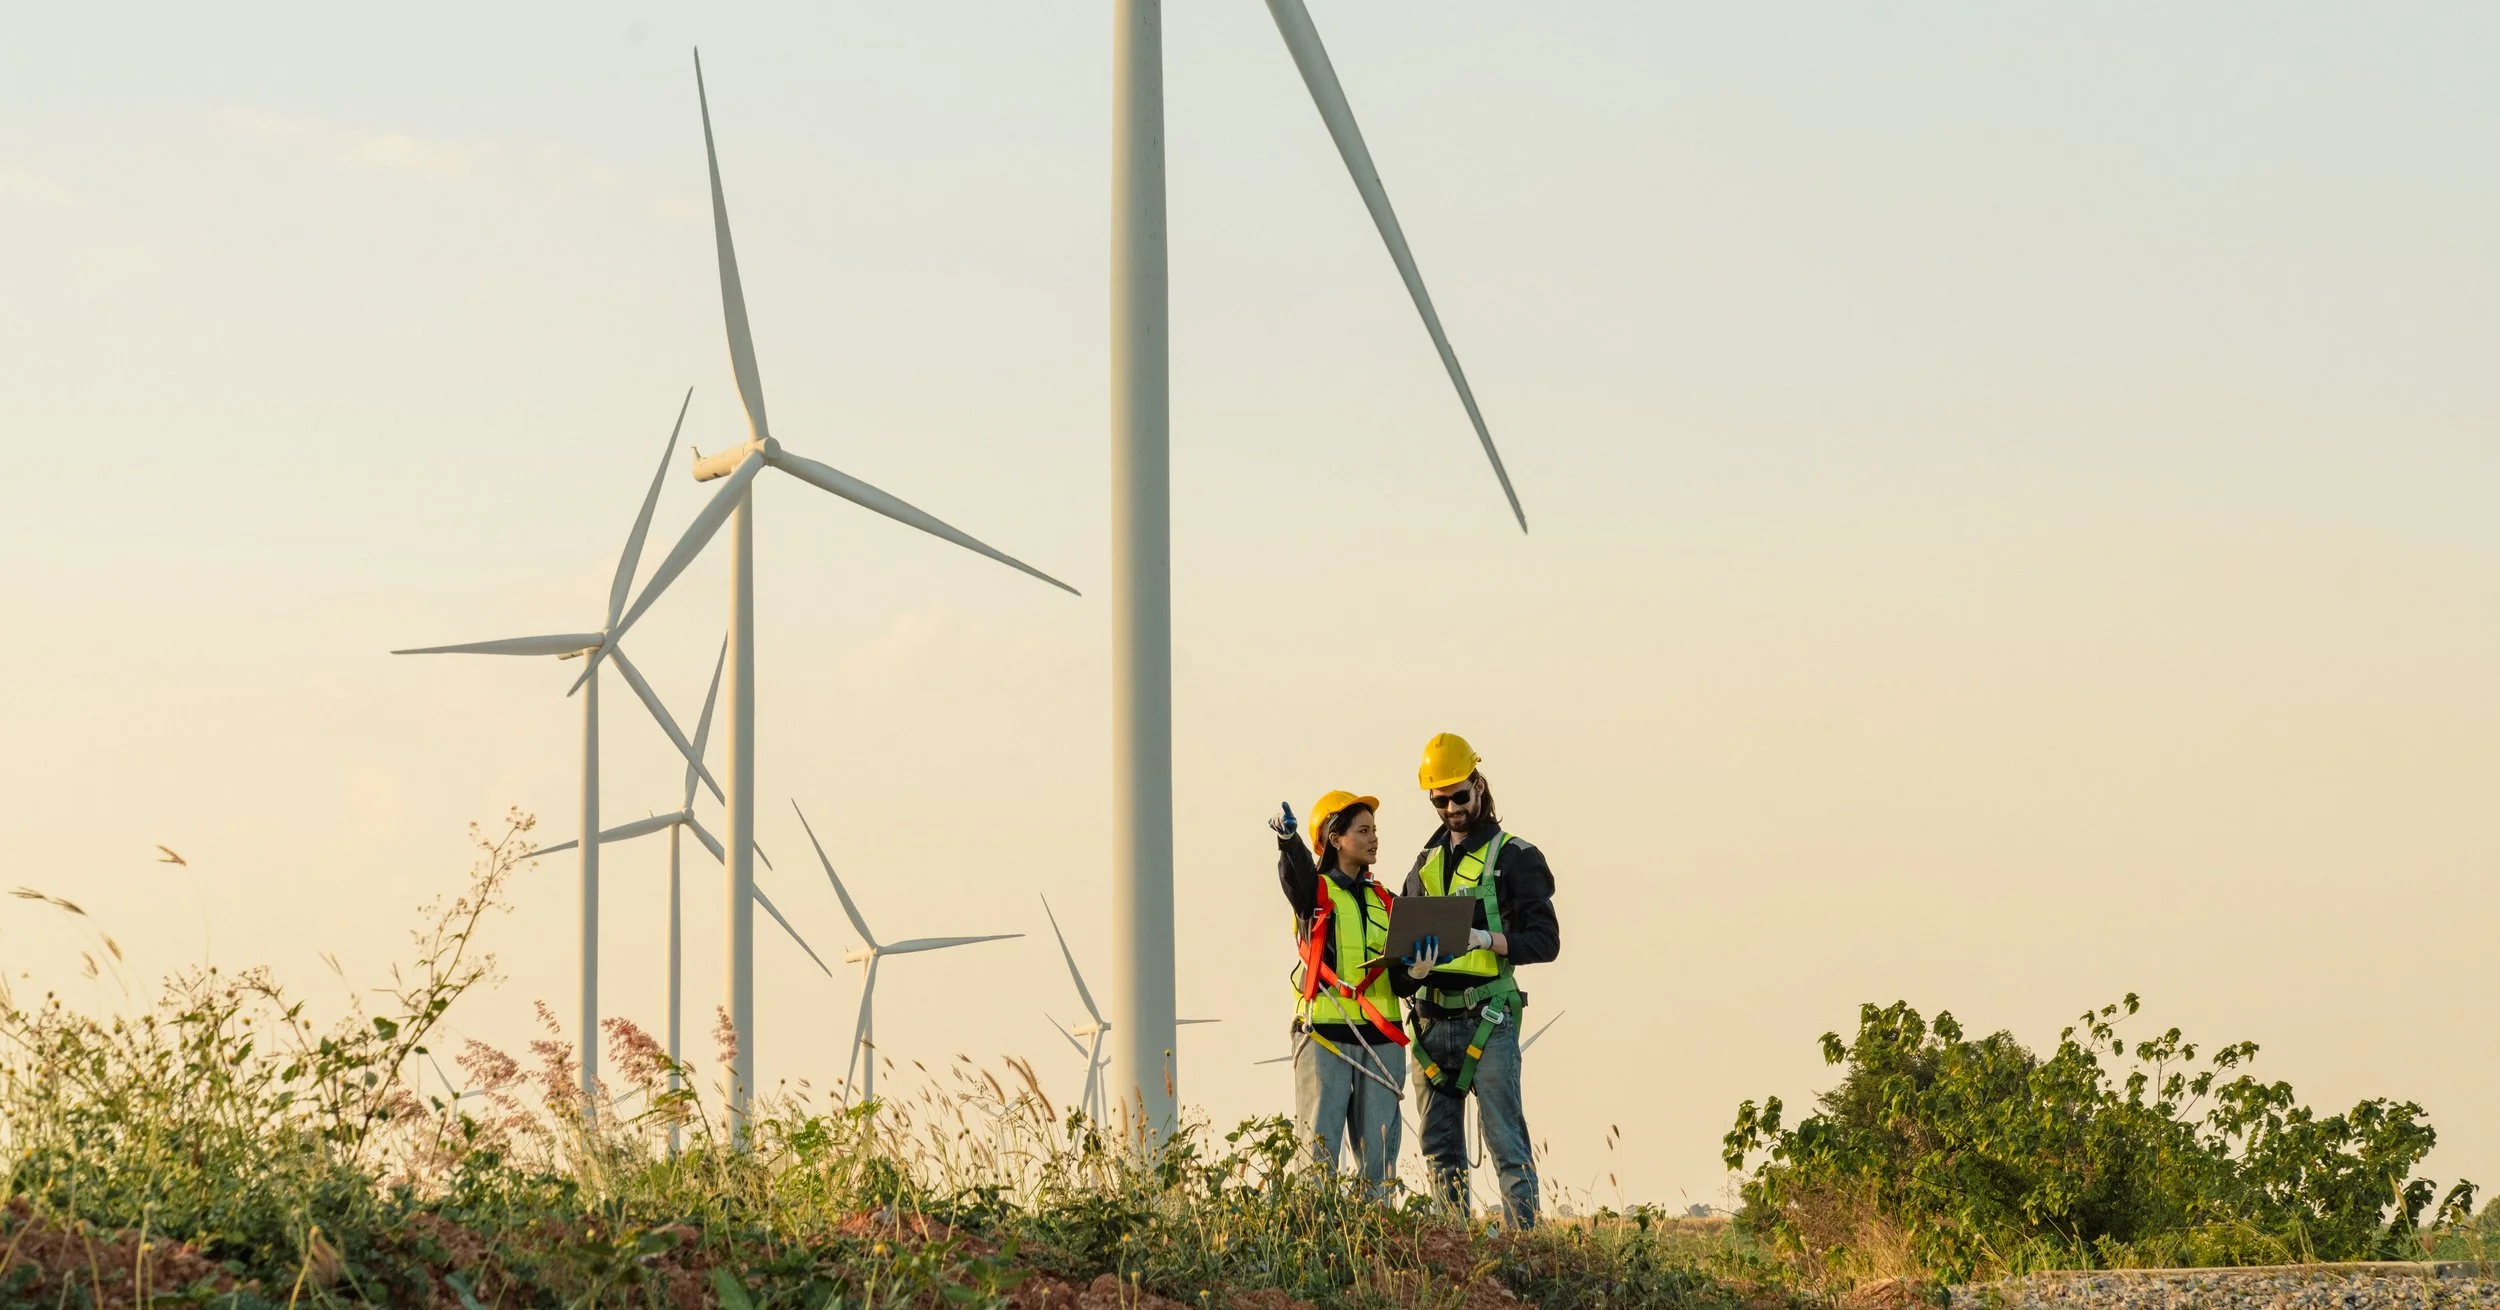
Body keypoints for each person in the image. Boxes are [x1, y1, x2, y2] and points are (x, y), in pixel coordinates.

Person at [1401, 733, 1560, 1228]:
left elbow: (1546, 941)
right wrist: (1412, 971)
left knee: (1506, 1143)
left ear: (1479, 785)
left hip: (1487, 1018)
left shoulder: (1515, 856)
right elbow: (1401, 949)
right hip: (1430, 1024)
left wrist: (1487, 940)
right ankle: (1456, 1253)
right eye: (1440, 800)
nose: (1451, 808)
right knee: (1438, 1150)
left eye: (1459, 796)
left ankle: (1524, 1253)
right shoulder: (1424, 863)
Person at [1269, 790, 1440, 1187]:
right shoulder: (1314, 894)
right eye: (1363, 830)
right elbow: (1295, 875)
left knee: (1378, 1160)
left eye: (1375, 830)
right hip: (1324, 1036)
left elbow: (1397, 977)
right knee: (1318, 1151)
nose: (1373, 838)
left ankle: (1375, 1238)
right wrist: (1288, 842)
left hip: (1380, 1040)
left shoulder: (1387, 901)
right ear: (1335, 838)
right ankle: (1317, 1238)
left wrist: (1417, 973)